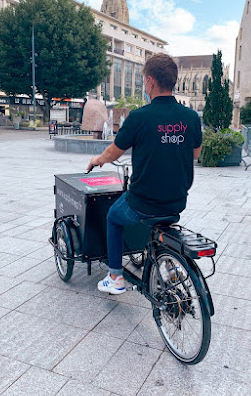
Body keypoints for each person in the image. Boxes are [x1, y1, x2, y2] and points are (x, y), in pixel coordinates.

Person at [86, 53, 202, 294]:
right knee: (155, 218)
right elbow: (195, 154)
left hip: (144, 202)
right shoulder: (190, 117)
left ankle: (115, 277)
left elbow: (113, 153)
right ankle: (167, 263)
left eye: (143, 82)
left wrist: (98, 160)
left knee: (114, 217)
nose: (143, 86)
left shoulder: (139, 117)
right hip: (177, 201)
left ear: (150, 82)